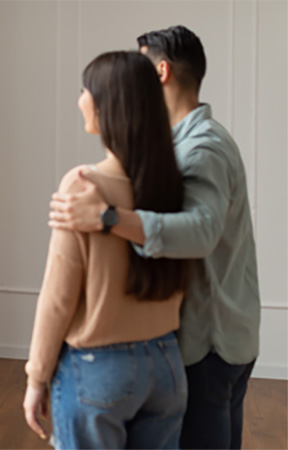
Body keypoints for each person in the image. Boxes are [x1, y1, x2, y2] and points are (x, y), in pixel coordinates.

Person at [48, 26, 260, 449]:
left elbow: (200, 233)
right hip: (225, 337)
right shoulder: (188, 144)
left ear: (160, 72)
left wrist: (107, 216)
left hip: (208, 342)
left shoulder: (200, 149)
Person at [23, 51, 191, 449]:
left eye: (85, 89)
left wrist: (36, 377)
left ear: (107, 104)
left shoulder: (82, 185)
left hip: (100, 369)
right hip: (166, 363)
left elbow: (58, 298)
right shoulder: (173, 185)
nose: (80, 98)